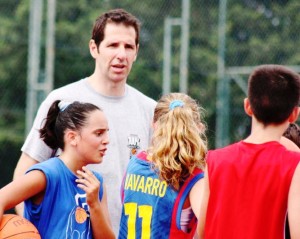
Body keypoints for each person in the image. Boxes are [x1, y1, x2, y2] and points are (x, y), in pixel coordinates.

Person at [13, 8, 156, 233]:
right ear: (94, 48)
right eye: (112, 45)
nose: (121, 54)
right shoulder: (62, 100)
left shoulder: (150, 110)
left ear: (136, 51)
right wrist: (29, 231)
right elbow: (24, 172)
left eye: (128, 47)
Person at [198, 64, 300, 239]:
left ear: (248, 106)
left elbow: (202, 231)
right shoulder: (294, 165)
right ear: (294, 115)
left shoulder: (214, 160)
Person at [0, 100, 115, 238]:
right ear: (72, 137)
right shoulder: (48, 174)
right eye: (99, 133)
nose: (107, 140)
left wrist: (94, 205)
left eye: (106, 132)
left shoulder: (96, 182)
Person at [118, 92, 207, 239]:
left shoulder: (135, 163)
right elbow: (210, 228)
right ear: (199, 128)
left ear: (154, 124)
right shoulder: (194, 179)